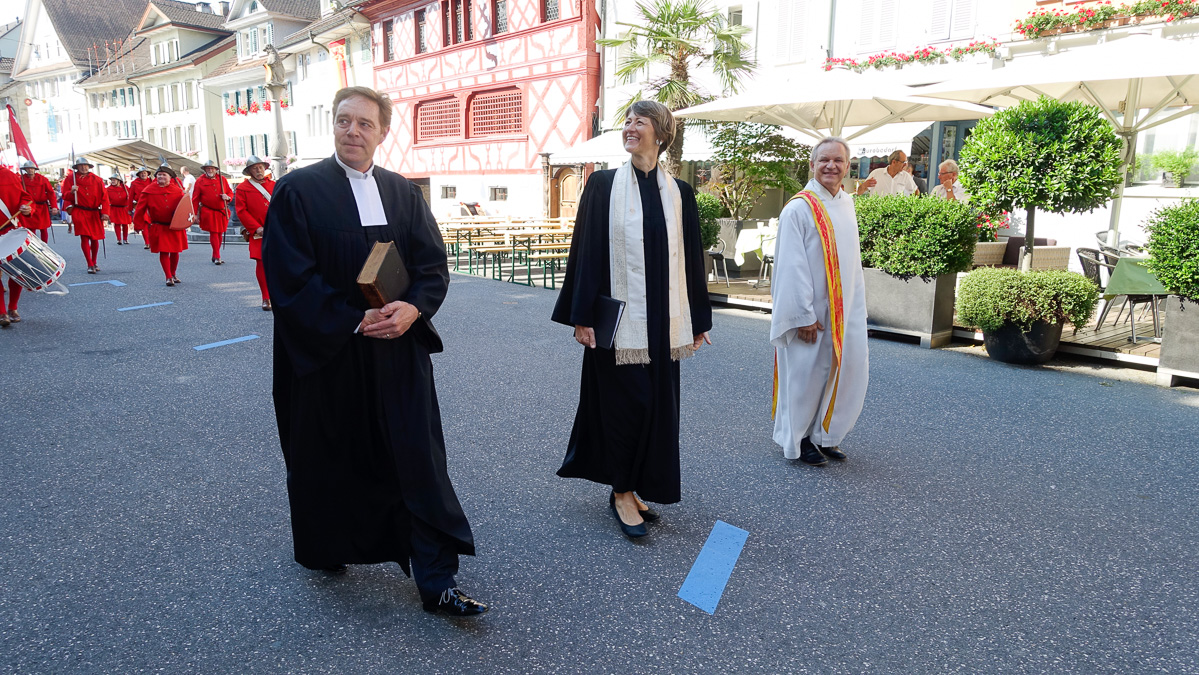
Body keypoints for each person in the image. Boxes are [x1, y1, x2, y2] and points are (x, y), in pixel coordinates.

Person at [263, 86, 487, 617]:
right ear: (333, 125)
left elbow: (432, 267)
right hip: (329, 353)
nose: (353, 131)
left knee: (417, 457)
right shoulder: (298, 190)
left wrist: (413, 309)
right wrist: (350, 319)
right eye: (344, 120)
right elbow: (289, 277)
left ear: (383, 132)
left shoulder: (403, 193)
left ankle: (437, 579)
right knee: (330, 455)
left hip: (397, 349)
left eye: (365, 123)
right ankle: (329, 544)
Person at [551, 100, 712, 539]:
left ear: (661, 135)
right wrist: (582, 316)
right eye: (627, 121)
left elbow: (690, 260)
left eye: (640, 121)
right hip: (619, 321)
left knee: (656, 406)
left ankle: (634, 485)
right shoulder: (603, 185)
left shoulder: (680, 193)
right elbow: (585, 251)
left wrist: (698, 319)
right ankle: (621, 491)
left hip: (663, 323)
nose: (630, 127)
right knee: (624, 405)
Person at [771, 137, 869, 466]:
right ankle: (798, 439)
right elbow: (791, 266)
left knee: (842, 372)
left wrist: (856, 309)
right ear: (812, 164)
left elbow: (851, 263)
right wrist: (802, 315)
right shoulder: (798, 208)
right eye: (824, 160)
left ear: (847, 166)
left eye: (838, 160)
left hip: (844, 310)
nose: (831, 166)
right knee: (806, 377)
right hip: (812, 313)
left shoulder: (846, 203)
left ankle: (824, 435)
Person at [134, 165, 187, 286]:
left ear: (169, 177)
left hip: (175, 226)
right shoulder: (148, 190)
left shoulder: (178, 190)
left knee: (175, 251)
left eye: (164, 175)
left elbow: (185, 207)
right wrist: (138, 224)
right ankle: (168, 276)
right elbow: (140, 209)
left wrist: (186, 198)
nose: (161, 177)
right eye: (159, 175)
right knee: (164, 251)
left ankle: (173, 273)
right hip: (159, 226)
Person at [234, 155, 273, 310]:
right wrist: (256, 227)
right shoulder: (242, 188)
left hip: (276, 230)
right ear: (249, 171)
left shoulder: (275, 185)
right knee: (261, 263)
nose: (258, 170)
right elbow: (241, 211)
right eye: (255, 168)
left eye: (260, 167)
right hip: (258, 232)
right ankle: (266, 297)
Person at [61, 156, 111, 274]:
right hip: (80, 211)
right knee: (84, 236)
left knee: (95, 238)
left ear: (89, 167)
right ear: (77, 167)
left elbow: (104, 197)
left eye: (85, 165)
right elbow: (64, 196)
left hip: (94, 212)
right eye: (81, 166)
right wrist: (71, 192)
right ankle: (89, 263)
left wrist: (105, 212)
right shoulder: (70, 179)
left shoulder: (97, 179)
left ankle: (94, 261)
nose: (84, 167)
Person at [0, 166, 33, 327]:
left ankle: (12, 307)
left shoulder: (9, 175)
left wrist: (26, 207)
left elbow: (24, 197)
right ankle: (2, 312)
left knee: (16, 272)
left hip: (10, 229)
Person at [191, 160, 233, 265]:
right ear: (205, 170)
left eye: (212, 168)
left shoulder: (222, 179)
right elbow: (195, 199)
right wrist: (194, 214)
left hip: (222, 211)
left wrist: (227, 197)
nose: (210, 170)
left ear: (215, 170)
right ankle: (217, 256)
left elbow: (230, 192)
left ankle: (215, 254)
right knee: (214, 232)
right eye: (208, 168)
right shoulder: (200, 181)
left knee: (219, 233)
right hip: (208, 211)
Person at [19, 160, 56, 243]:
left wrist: (54, 206)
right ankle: (33, 244)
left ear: (34, 169)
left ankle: (44, 245)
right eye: (28, 168)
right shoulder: (21, 180)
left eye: (31, 168)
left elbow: (50, 193)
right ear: (25, 170)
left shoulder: (43, 179)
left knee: (44, 228)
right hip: (30, 207)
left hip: (42, 207)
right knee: (31, 228)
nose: (30, 170)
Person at [129, 166, 154, 249]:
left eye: (145, 173)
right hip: (140, 206)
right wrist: (129, 208)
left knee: (152, 225)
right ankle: (147, 242)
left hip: (152, 205)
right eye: (141, 173)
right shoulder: (134, 183)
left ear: (147, 174)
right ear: (139, 175)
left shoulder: (152, 182)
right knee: (144, 224)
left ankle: (152, 242)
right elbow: (130, 196)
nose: (143, 174)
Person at [106, 174, 133, 245]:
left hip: (124, 208)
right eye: (112, 180)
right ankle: (119, 239)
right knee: (117, 223)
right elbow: (106, 199)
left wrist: (129, 198)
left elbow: (131, 195)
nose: (112, 181)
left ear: (118, 181)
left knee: (125, 224)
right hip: (115, 208)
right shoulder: (108, 189)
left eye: (114, 180)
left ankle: (125, 239)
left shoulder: (125, 188)